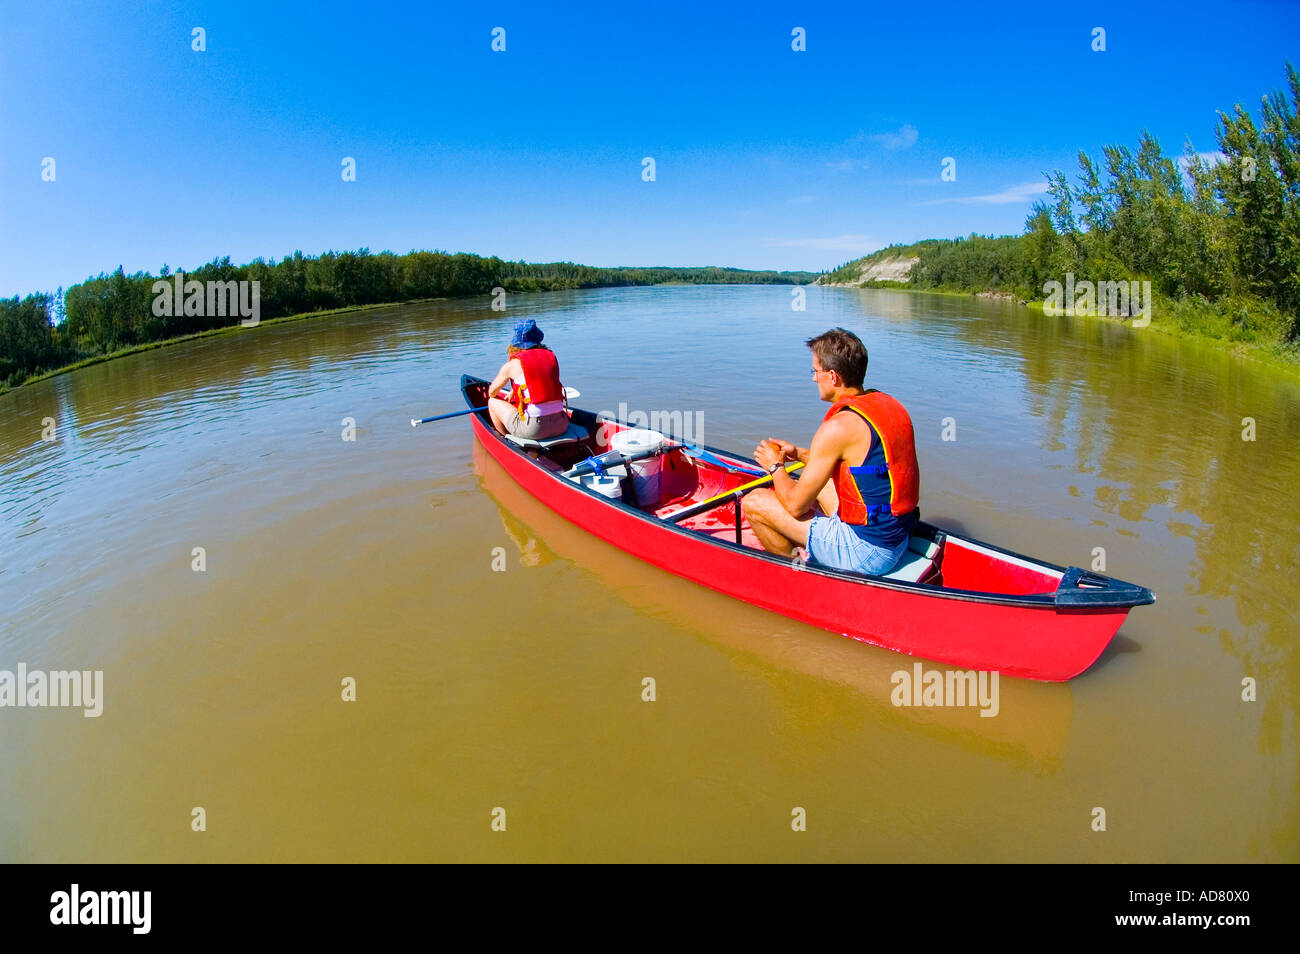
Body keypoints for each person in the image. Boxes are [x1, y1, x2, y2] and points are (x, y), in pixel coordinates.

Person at [743, 327, 920, 575]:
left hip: (868, 552)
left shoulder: (837, 427)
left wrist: (775, 467)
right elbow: (858, 463)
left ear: (833, 376)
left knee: (754, 501)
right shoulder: (888, 404)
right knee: (821, 482)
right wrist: (801, 454)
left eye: (816, 372)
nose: (814, 378)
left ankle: (798, 576)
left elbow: (795, 506)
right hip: (899, 537)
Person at [486, 319, 570, 441]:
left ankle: (507, 440)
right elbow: (541, 381)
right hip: (562, 424)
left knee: (492, 402)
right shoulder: (551, 356)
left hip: (535, 429)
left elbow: (492, 392)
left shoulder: (512, 365)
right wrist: (514, 391)